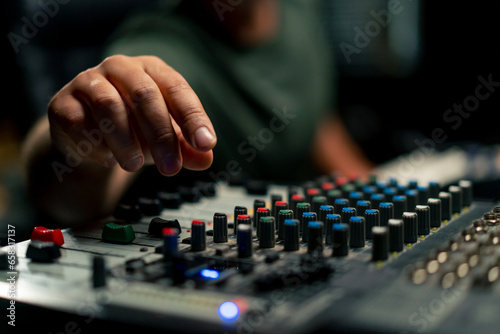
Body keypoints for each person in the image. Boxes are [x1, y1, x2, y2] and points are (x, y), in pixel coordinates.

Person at [21, 0, 374, 226]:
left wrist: (383, 199)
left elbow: (315, 121)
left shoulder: (300, 11)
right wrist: (74, 148)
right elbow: (68, 200)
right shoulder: (165, 45)